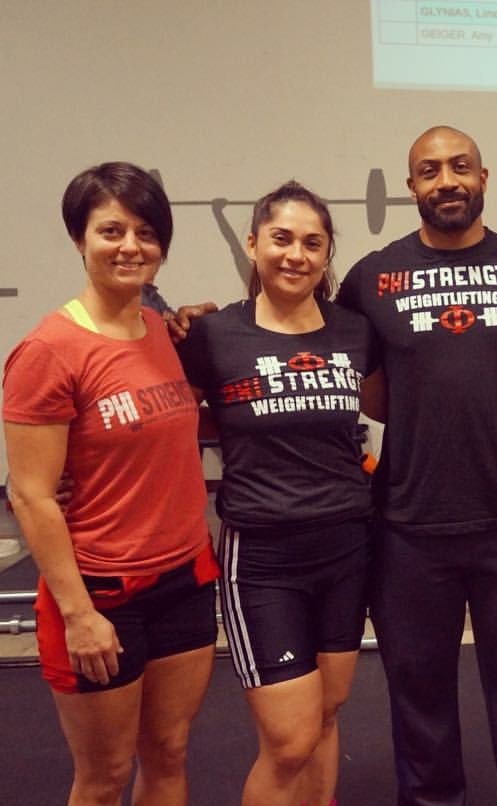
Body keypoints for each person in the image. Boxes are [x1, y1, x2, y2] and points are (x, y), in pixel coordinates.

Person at [335, 125, 497, 806]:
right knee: (420, 703)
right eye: (430, 170)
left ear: (484, 176)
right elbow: (368, 381)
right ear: (411, 186)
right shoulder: (371, 277)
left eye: (459, 166)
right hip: (409, 528)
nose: (446, 181)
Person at [2, 161, 218, 804]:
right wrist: (78, 614)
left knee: (170, 756)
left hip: (183, 580)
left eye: (146, 232)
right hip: (100, 595)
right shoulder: (48, 350)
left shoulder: (161, 330)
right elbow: (32, 493)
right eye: (111, 230)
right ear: (79, 239)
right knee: (103, 777)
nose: (131, 246)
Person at [176, 181, 379, 806]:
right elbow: (158, 411)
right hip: (263, 560)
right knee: (289, 739)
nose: (296, 254)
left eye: (312, 243)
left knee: (324, 714)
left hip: (347, 549)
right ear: (254, 242)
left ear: (327, 255)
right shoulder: (211, 337)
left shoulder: (355, 332)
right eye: (282, 238)